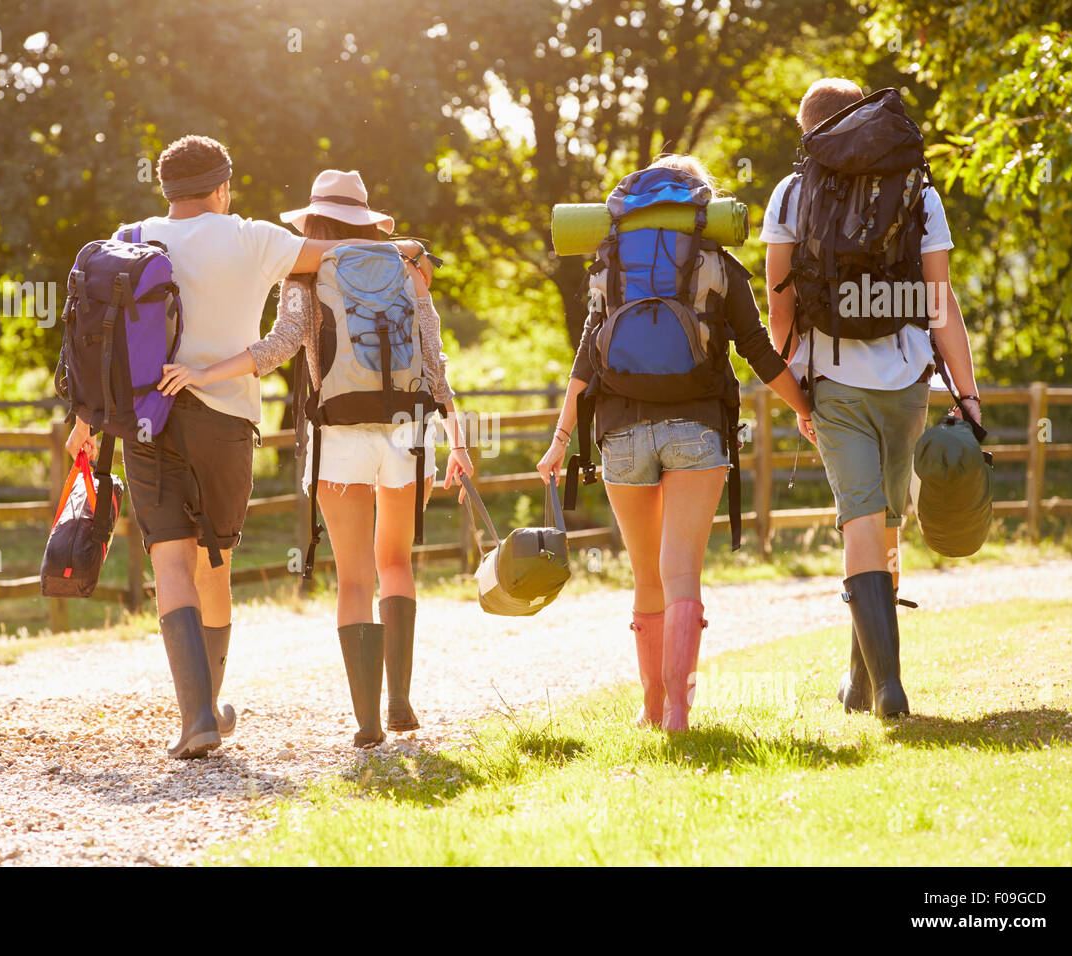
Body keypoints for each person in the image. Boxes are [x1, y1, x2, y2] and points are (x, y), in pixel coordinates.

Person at [65, 139, 430, 758]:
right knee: (217, 564)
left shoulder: (128, 235)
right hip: (225, 418)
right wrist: (407, 249)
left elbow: (94, 334)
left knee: (170, 564)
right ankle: (210, 704)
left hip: (145, 418)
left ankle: (197, 718)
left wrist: (85, 418)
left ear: (167, 190)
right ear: (223, 187)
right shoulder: (255, 239)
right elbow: (340, 252)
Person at [156, 169, 472, 748]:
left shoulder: (305, 273)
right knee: (395, 565)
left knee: (353, 577)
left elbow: (277, 348)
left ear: (313, 222)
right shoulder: (406, 269)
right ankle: (401, 701)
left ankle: (368, 723)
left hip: (339, 438)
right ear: (365, 219)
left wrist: (205, 372)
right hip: (408, 432)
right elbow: (434, 357)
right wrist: (458, 435)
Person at [538, 154, 813, 732]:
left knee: (647, 576)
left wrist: (561, 438)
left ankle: (650, 708)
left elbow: (586, 359)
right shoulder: (718, 261)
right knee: (682, 570)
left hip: (621, 432)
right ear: (701, 207)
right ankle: (680, 715)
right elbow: (760, 355)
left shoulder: (610, 261)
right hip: (698, 428)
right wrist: (807, 409)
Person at [762, 78, 983, 718]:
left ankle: (884, 686)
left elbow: (780, 306)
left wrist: (793, 388)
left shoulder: (793, 190)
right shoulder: (918, 189)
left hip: (832, 382)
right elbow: (940, 304)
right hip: (908, 380)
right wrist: (967, 396)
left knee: (860, 520)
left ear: (809, 129)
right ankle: (865, 682)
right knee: (888, 523)